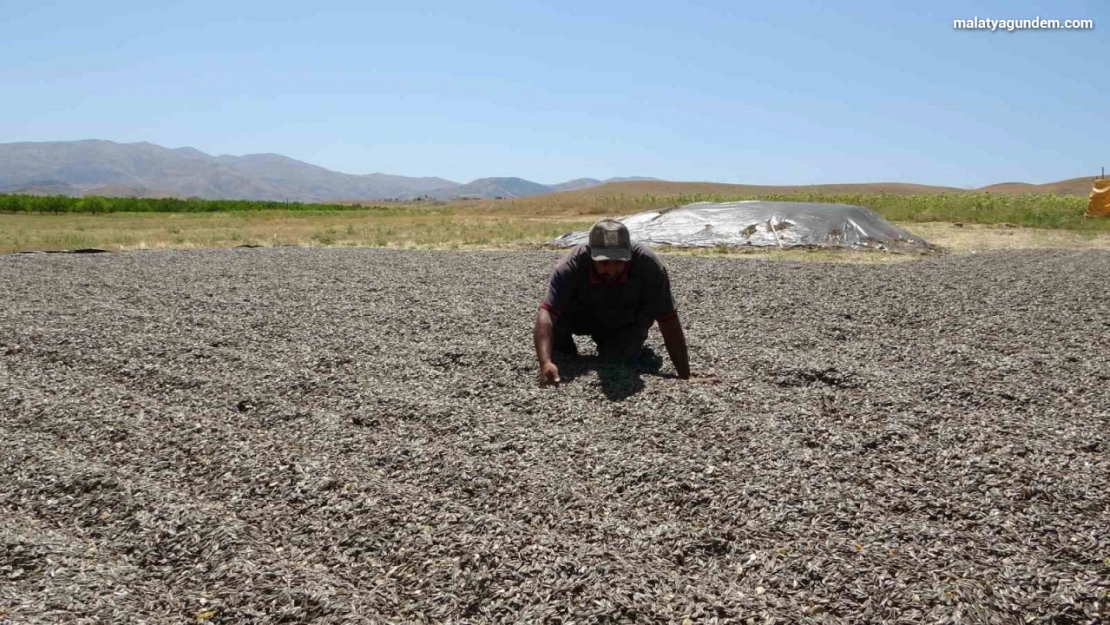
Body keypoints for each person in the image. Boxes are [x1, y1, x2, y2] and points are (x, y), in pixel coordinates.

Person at [533, 219, 719, 386]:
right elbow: (547, 313)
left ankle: (631, 348)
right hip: (580, 316)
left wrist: (684, 377)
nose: (612, 269)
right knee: (562, 357)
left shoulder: (649, 266)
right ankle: (561, 356)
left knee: (619, 362)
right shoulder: (569, 267)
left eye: (618, 261)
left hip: (621, 320)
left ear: (628, 254)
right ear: (590, 254)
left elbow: (668, 319)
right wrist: (545, 362)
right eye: (604, 262)